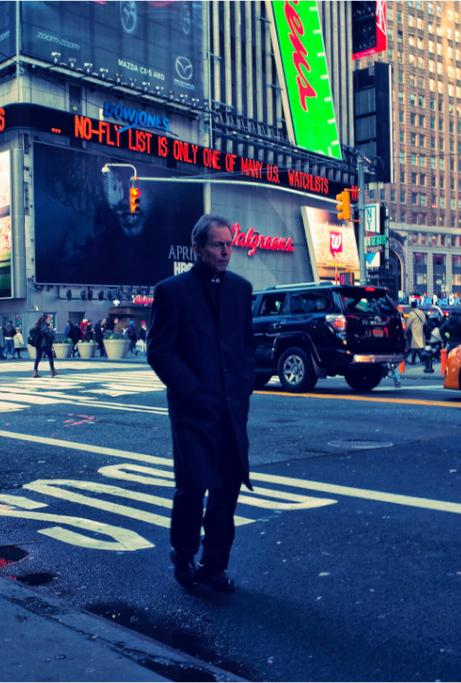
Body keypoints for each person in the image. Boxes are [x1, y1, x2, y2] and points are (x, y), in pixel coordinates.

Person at [147, 214, 256, 593]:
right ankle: (184, 554)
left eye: (229, 244)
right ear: (198, 248)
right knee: (193, 487)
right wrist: (191, 391)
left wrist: (244, 386)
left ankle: (215, 565)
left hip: (231, 409)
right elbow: (159, 352)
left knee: (228, 489)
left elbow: (247, 345)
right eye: (217, 245)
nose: (226, 251)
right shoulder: (171, 291)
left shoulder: (241, 289)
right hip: (193, 410)